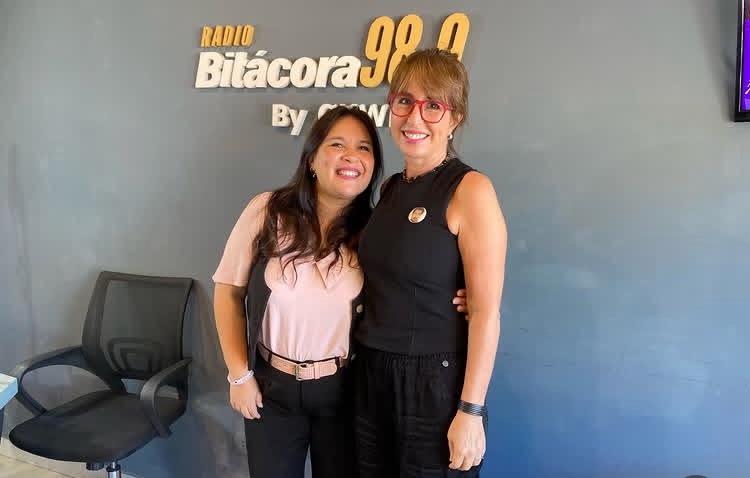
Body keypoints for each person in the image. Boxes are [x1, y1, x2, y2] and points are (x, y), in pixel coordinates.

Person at [211, 105, 469, 478]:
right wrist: (239, 375)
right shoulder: (267, 210)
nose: (351, 156)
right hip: (271, 390)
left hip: (345, 393)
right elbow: (228, 292)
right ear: (312, 159)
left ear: (373, 166)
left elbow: (410, 285)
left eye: (364, 148)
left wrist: (460, 298)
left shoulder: (377, 230)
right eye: (337, 144)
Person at [352, 48, 508, 477]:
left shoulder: (470, 189)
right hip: (371, 374)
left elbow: (486, 312)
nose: (414, 117)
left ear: (455, 118)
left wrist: (471, 410)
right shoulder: (389, 189)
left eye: (433, 105)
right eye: (404, 101)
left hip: (434, 384)